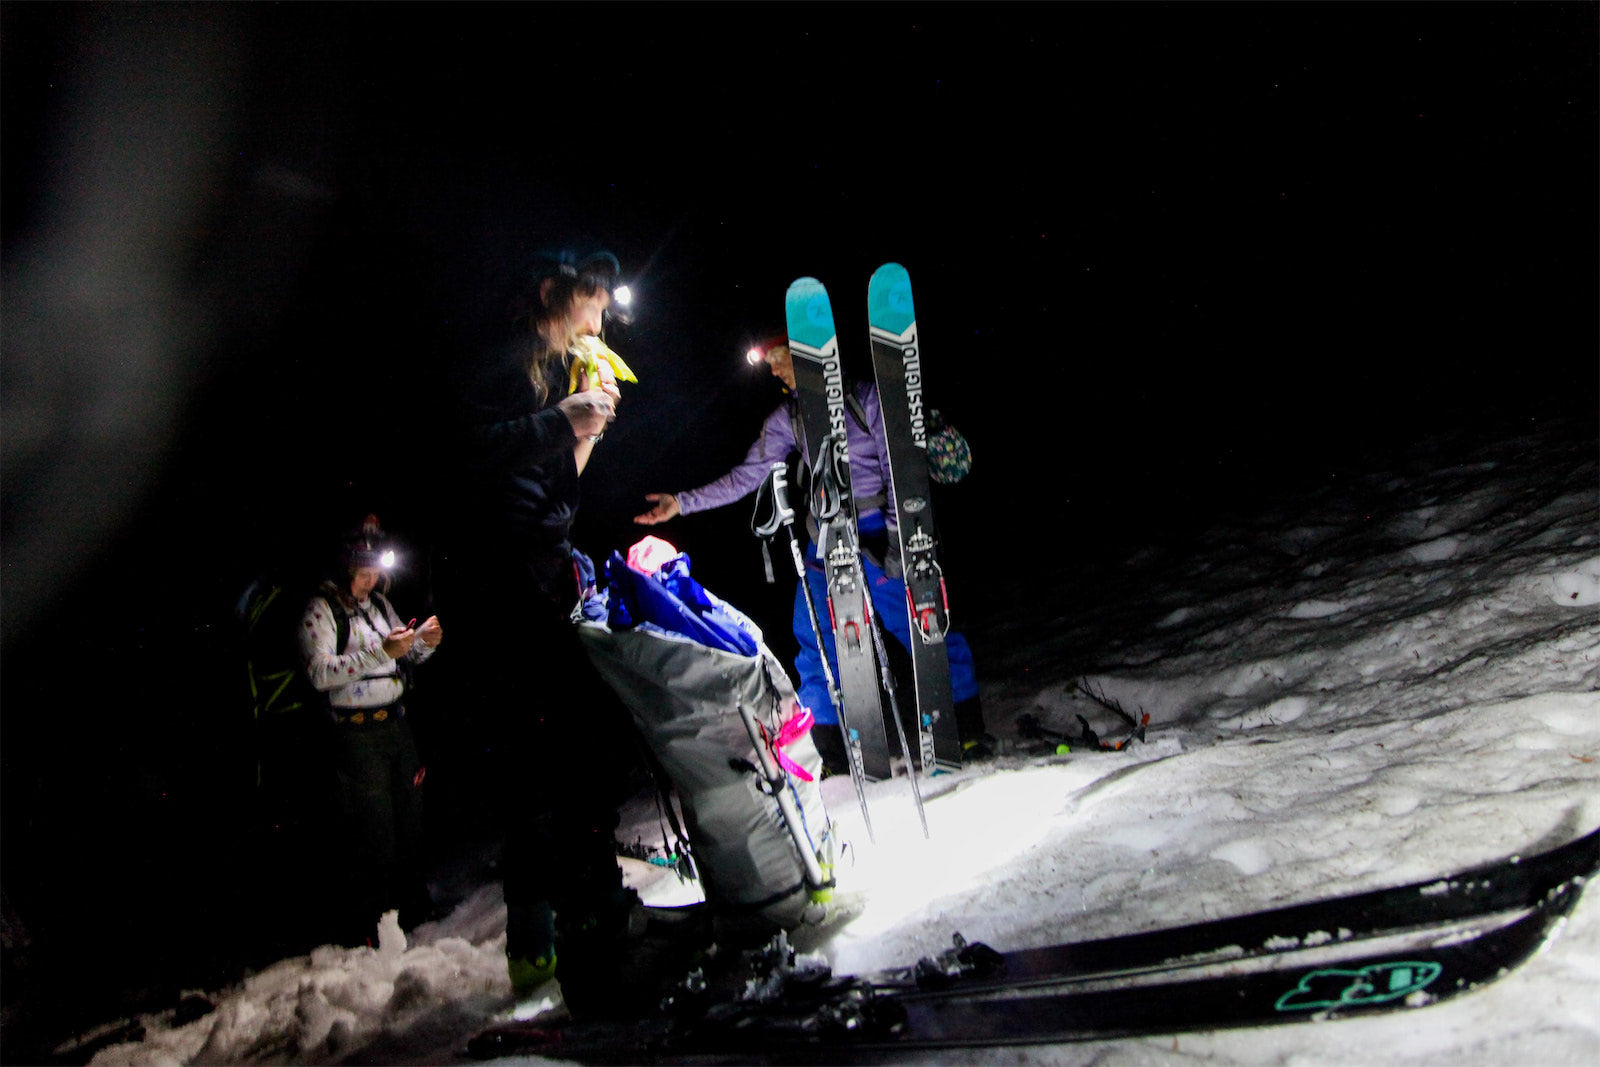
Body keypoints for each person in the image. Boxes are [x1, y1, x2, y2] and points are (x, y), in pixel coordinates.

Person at [441, 247, 643, 1009]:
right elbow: (464, 458)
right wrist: (556, 421)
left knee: (573, 751)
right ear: (551, 293)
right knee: (544, 758)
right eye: (590, 302)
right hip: (495, 585)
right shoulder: (499, 362)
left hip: (546, 568)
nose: (600, 319)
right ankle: (564, 936)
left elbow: (559, 487)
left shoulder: (564, 371)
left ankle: (583, 922)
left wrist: (583, 431)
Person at [635, 344, 988, 772]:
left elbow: (900, 468)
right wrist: (683, 502)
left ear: (806, 350)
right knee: (815, 644)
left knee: (923, 628)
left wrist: (899, 540)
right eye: (769, 366)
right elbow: (749, 474)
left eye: (779, 358)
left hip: (880, 534)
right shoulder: (791, 416)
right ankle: (836, 757)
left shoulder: (866, 398)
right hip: (827, 543)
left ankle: (966, 730)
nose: (775, 372)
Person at [299, 515, 443, 944]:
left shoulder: (380, 606)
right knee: (374, 828)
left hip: (397, 726)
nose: (371, 580)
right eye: (363, 573)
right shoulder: (321, 610)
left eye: (376, 572)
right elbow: (320, 673)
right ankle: (374, 922)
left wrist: (424, 645)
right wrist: (382, 651)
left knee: (411, 820)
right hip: (357, 735)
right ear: (345, 571)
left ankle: (417, 910)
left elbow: (405, 654)